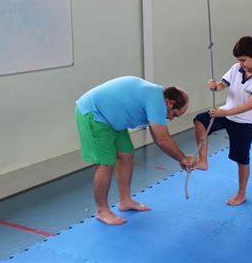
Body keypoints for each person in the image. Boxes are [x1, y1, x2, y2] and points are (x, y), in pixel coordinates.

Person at [75, 76, 195, 225]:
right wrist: (183, 158)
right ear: (170, 103)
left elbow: (157, 136)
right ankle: (102, 210)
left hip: (112, 119)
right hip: (94, 114)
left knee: (126, 155)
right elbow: (162, 139)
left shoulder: (157, 96)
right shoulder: (156, 99)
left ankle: (125, 201)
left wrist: (180, 157)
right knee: (106, 164)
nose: (171, 119)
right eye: (175, 114)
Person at [193, 36, 252, 206]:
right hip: (226, 115)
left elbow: (249, 105)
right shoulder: (236, 68)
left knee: (242, 159)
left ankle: (241, 193)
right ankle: (203, 160)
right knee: (200, 120)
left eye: (244, 60)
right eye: (239, 60)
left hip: (245, 122)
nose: (241, 63)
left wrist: (224, 112)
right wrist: (215, 86)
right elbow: (223, 84)